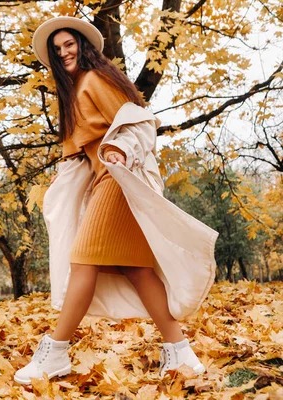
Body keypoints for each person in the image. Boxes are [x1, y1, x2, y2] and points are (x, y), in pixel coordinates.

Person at [13, 16, 218, 385]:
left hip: (117, 180)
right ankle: (181, 353)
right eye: (57, 50)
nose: (64, 52)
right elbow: (80, 150)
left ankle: (55, 352)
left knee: (83, 259)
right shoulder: (73, 93)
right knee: (135, 269)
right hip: (105, 182)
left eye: (69, 44)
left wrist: (121, 150)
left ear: (83, 45)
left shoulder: (93, 80)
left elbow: (137, 121)